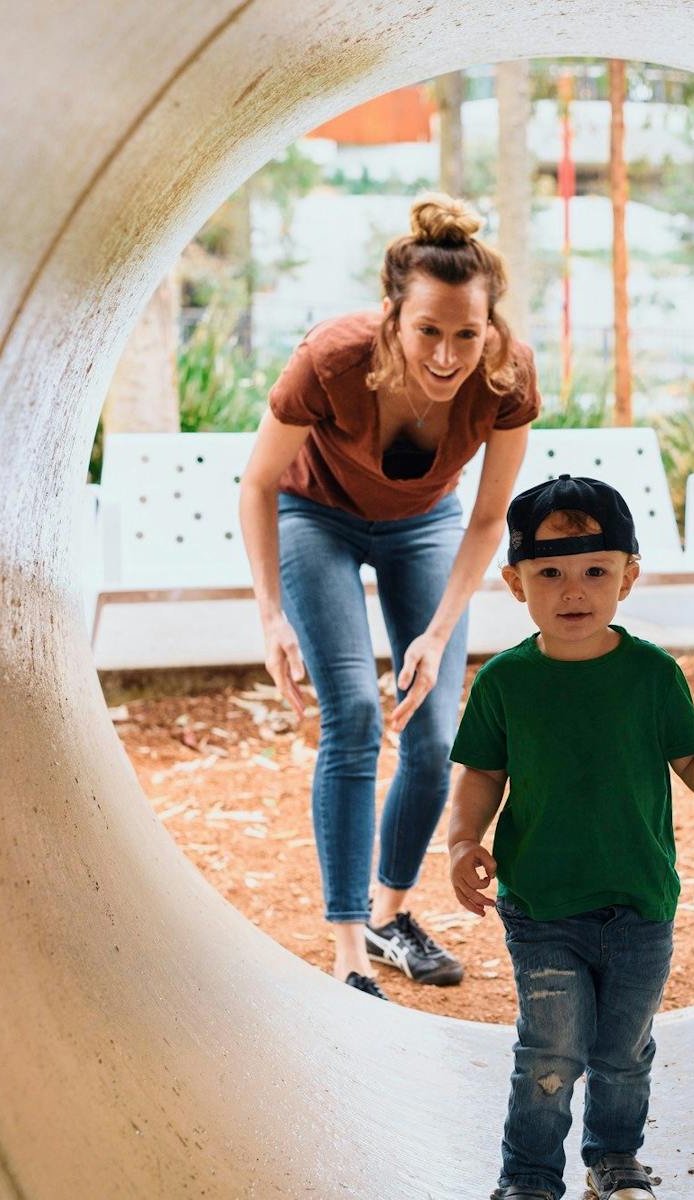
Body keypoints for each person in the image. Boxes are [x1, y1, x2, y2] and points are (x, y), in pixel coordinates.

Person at [238, 193, 539, 1000]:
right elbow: (261, 482)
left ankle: (389, 914)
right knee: (356, 716)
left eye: (466, 334)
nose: (447, 355)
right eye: (428, 331)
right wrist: (270, 615)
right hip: (316, 517)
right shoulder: (332, 358)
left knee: (436, 730)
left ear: (491, 328)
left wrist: (438, 635)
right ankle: (347, 950)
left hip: (425, 524)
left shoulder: (507, 375)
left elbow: (485, 520)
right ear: (391, 318)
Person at [446, 475, 694, 1200]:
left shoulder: (651, 674)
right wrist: (462, 843)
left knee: (624, 1051)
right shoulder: (505, 682)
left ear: (628, 578)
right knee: (549, 1051)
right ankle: (527, 1179)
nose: (573, 591)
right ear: (514, 582)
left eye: (595, 571)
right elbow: (479, 774)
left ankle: (613, 1160)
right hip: (543, 905)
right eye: (549, 573)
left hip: (640, 905)